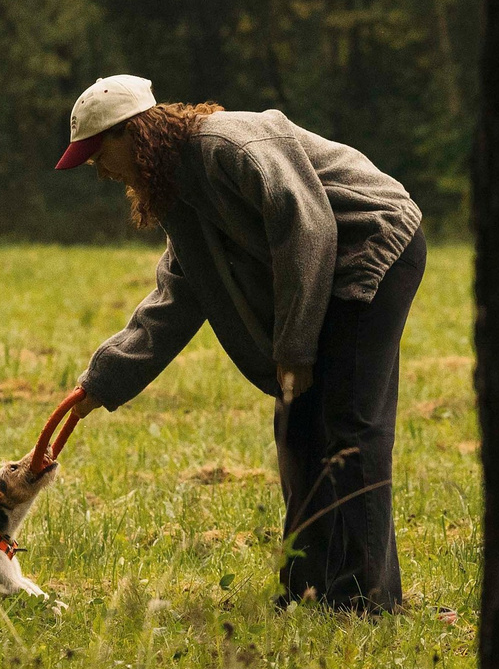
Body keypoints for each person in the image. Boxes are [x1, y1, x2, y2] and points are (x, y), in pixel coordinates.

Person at [53, 74, 425, 612]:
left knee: (348, 421)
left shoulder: (232, 145)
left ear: (131, 132)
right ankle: (308, 588)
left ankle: (365, 600)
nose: (97, 169)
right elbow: (182, 291)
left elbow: (309, 227)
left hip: (373, 243)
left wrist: (294, 353)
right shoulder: (177, 189)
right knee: (297, 426)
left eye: (97, 153)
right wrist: (103, 380)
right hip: (322, 263)